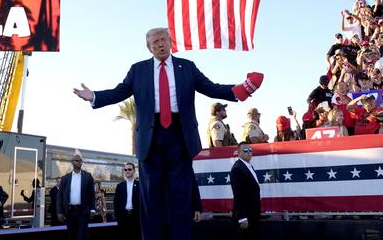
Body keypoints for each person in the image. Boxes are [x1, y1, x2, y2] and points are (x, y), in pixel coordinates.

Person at [73, 27, 262, 240]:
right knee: (150, 198)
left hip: (179, 136)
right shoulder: (138, 70)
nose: (160, 44)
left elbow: (210, 87)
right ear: (149, 48)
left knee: (180, 197)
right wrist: (94, 96)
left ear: (170, 42)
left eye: (163, 40)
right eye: (155, 42)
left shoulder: (187, 68)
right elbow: (120, 91)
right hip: (150, 139)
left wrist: (241, 89)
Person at [58, 154, 95, 240]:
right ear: (72, 162)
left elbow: (92, 194)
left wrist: (92, 209)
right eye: (77, 160)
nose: (79, 162)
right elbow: (60, 196)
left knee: (82, 236)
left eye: (81, 161)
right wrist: (59, 212)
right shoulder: (65, 178)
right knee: (71, 235)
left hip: (83, 211)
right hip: (70, 212)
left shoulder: (88, 176)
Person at [230, 142, 261, 240]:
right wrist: (242, 217)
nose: (249, 152)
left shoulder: (248, 166)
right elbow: (239, 195)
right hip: (246, 216)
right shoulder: (238, 169)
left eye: (250, 150)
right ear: (238, 152)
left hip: (252, 214)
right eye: (246, 150)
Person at [114, 163, 140, 240]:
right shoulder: (120, 186)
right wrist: (118, 217)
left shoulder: (139, 185)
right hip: (123, 217)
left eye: (129, 169)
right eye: (125, 169)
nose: (127, 171)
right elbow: (116, 202)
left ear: (134, 171)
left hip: (136, 218)